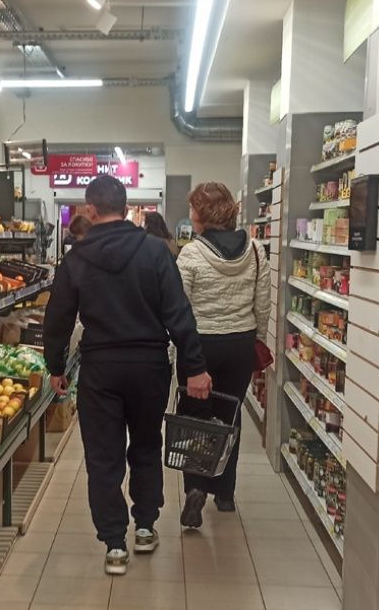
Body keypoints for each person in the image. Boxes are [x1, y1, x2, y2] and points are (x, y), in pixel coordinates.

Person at [43, 175, 211, 576]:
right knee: (146, 446)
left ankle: (114, 544)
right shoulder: (154, 251)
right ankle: (146, 527)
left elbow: (57, 317)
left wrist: (55, 366)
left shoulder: (77, 259)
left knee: (103, 456)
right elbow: (179, 313)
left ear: (90, 210)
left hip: (100, 370)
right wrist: (194, 367)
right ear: (125, 206)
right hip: (149, 367)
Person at [174, 181, 270, 528]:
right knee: (229, 415)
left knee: (196, 417)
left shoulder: (191, 254)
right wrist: (257, 339)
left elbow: (180, 307)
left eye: (192, 208)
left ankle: (196, 487)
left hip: (200, 345)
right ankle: (225, 492)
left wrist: (180, 347)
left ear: (201, 214)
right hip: (240, 344)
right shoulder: (256, 250)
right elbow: (262, 303)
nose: (190, 214)